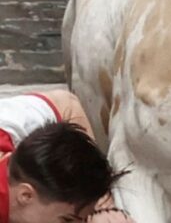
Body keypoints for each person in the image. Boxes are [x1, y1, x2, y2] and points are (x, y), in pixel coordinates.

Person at [1, 89, 133, 223]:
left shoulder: (7, 124)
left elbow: (67, 103)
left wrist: (100, 201)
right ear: (26, 195)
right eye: (66, 221)